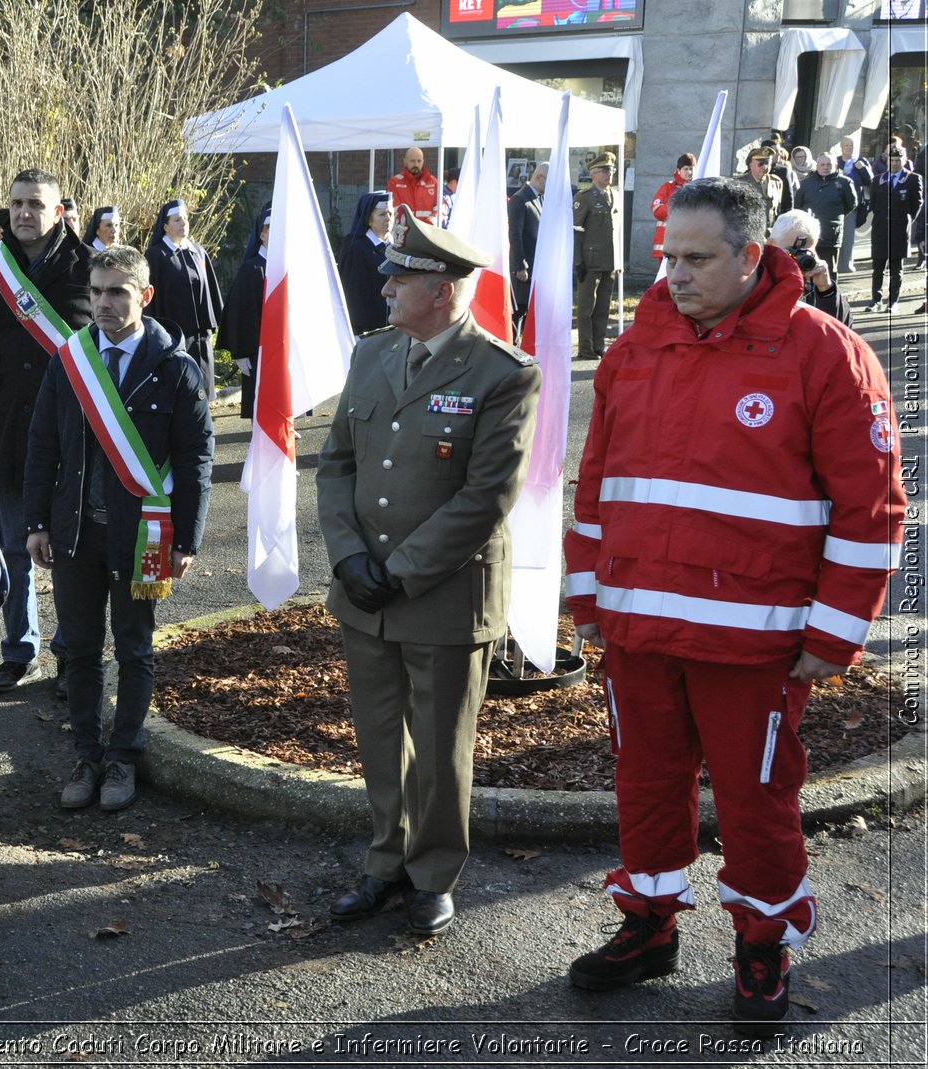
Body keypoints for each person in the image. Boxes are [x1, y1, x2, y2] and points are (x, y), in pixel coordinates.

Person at [564, 176, 903, 1034]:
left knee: (756, 802)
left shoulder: (825, 353)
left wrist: (836, 631)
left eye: (696, 258)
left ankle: (762, 944)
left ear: (752, 256)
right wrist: (586, 593)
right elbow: (597, 483)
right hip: (640, 628)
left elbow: (872, 509)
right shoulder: (633, 351)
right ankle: (648, 925)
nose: (674, 274)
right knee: (643, 781)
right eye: (668, 256)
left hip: (752, 642)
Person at [316, 206, 541, 937]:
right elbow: (337, 463)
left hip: (444, 593)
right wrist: (349, 554)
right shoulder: (373, 353)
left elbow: (487, 496)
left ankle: (433, 872)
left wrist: (401, 569)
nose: (383, 291)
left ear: (441, 290)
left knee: (441, 748)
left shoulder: (503, 373)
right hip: (365, 590)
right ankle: (385, 861)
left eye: (398, 279)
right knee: (380, 734)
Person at [25, 244, 213, 812]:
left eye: (117, 293)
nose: (103, 303)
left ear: (145, 297)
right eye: (97, 291)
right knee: (79, 650)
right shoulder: (70, 360)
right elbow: (42, 445)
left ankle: (124, 759)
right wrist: (36, 522)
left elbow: (196, 459)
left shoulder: (175, 367)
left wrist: (187, 538)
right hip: (77, 533)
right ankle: (87, 754)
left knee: (133, 650)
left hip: (144, 537)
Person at [0, 168, 93, 694]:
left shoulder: (86, 268)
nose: (23, 213)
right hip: (7, 431)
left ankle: (71, 655)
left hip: (72, 431)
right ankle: (21, 651)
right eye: (16, 203)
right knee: (15, 549)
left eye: (36, 204)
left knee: (70, 551)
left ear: (58, 211)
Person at [145, 199, 224, 391]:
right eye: (177, 220)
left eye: (186, 219)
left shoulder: (198, 251)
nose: (184, 223)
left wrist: (215, 324)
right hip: (175, 337)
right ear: (165, 226)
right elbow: (150, 299)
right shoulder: (156, 255)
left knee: (203, 392)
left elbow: (211, 290)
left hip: (201, 337)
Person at [218, 205, 269, 421]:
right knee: (259, 395)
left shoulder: (287, 266)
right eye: (271, 229)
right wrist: (239, 353)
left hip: (283, 345)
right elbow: (240, 313)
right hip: (258, 348)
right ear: (262, 234)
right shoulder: (252, 268)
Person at [574, 151, 621, 361]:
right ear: (593, 173)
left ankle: (598, 346)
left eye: (611, 170)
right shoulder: (584, 198)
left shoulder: (616, 195)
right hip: (589, 262)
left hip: (610, 261)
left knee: (603, 308)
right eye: (605, 170)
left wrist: (619, 261)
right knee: (586, 309)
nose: (609, 173)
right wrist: (577, 261)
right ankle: (586, 348)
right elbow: (575, 231)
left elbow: (617, 231)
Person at [768, 209, 853, 326]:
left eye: (805, 252)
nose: (797, 258)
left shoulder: (813, 277)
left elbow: (841, 332)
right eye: (791, 252)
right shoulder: (752, 276)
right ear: (770, 244)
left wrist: (826, 290)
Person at [867, 144, 924, 313]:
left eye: (898, 160)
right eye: (892, 160)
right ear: (887, 161)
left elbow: (917, 204)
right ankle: (876, 300)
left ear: (904, 161)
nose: (895, 163)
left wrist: (905, 220)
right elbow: (874, 203)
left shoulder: (913, 179)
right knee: (877, 268)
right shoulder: (878, 180)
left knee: (896, 269)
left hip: (899, 231)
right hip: (880, 229)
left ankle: (893, 302)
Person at [339, 191, 394, 335]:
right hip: (369, 331)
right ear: (368, 220)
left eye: (391, 214)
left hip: (395, 328)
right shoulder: (356, 248)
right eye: (382, 214)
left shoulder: (397, 247)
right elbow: (354, 297)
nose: (388, 218)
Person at [793, 153, 857, 268]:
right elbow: (798, 205)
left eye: (829, 164)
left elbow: (851, 204)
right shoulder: (807, 183)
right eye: (822, 164)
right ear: (817, 166)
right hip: (809, 235)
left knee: (829, 270)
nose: (825, 167)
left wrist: (834, 215)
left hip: (831, 234)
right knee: (807, 269)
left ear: (836, 165)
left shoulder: (845, 183)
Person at [507, 164, 548, 340]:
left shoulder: (538, 198)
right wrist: (520, 265)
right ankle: (512, 350)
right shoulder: (520, 199)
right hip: (523, 268)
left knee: (527, 312)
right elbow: (514, 234)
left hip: (535, 267)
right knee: (518, 312)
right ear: (539, 178)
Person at [837, 135, 874, 273]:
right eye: (847, 145)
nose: (849, 148)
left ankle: (846, 266)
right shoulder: (836, 162)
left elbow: (870, 180)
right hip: (836, 205)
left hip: (852, 205)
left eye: (852, 145)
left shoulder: (860, 161)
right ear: (841, 147)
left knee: (848, 237)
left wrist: (862, 168)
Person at [649, 153, 694, 259]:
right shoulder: (668, 187)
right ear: (679, 170)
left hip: (690, 243)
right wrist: (678, 208)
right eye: (686, 169)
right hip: (668, 245)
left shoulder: (699, 188)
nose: (689, 172)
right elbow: (657, 210)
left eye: (691, 169)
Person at [738, 146, 786, 238]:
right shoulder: (740, 183)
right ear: (751, 165)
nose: (765, 167)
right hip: (747, 234)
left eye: (768, 163)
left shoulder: (777, 182)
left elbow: (778, 209)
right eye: (761, 164)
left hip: (770, 234)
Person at [386, 147, 440, 226]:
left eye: (419, 161)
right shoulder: (394, 183)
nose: (416, 164)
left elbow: (440, 209)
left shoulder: (434, 182)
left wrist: (429, 224)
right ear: (405, 162)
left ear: (423, 162)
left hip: (428, 231)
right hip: (404, 232)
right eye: (412, 161)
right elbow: (394, 209)